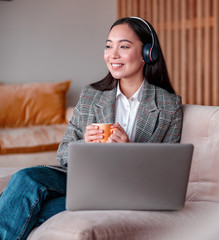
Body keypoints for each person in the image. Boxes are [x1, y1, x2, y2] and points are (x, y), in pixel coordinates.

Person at [0, 17, 182, 240]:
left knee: (32, 206)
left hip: (128, 190)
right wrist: (85, 146)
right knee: (26, 178)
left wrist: (130, 152)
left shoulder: (168, 106)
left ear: (148, 53)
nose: (112, 54)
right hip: (84, 182)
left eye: (123, 46)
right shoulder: (91, 95)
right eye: (108, 46)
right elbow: (63, 153)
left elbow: (167, 174)